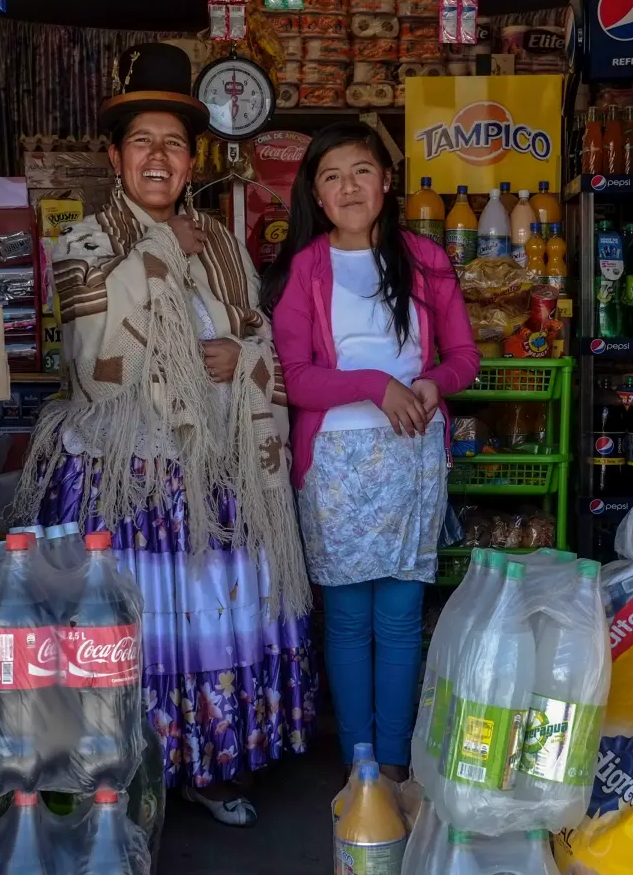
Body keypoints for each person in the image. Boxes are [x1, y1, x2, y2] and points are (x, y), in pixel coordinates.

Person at [13, 43, 313, 826]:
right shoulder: (84, 242)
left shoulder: (218, 242)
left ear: (190, 161)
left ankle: (207, 766)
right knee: (130, 622)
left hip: (214, 472)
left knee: (208, 619)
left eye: (174, 144)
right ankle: (117, 768)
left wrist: (237, 353)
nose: (158, 156)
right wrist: (155, 250)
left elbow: (257, 328)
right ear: (115, 156)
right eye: (142, 141)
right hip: (125, 474)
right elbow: (88, 352)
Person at [262, 122, 478, 783]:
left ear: (386, 181)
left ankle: (394, 760)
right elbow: (291, 376)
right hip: (333, 466)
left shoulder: (426, 260)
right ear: (317, 198)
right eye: (332, 177)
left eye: (361, 171)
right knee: (351, 619)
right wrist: (373, 385)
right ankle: (360, 764)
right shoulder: (305, 269)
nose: (349, 186)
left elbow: (464, 359)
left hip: (412, 460)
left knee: (402, 615)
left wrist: (427, 382)